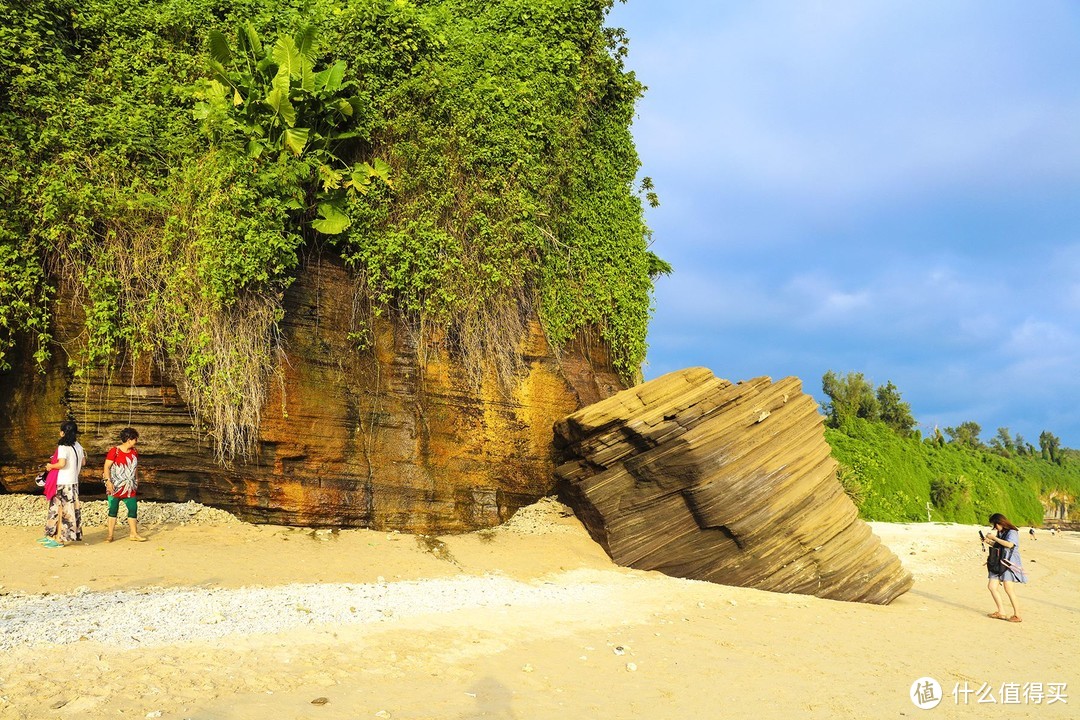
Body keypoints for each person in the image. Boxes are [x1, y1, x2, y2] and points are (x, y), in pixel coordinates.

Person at [42, 420, 85, 548]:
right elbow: (83, 462)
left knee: (61, 511)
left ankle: (59, 540)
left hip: (63, 482)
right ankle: (54, 535)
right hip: (73, 482)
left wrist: (50, 466)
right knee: (64, 510)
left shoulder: (63, 447)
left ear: (62, 432)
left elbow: (61, 464)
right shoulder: (78, 446)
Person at [103, 427, 147, 542]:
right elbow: (107, 466)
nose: (136, 441)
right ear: (129, 439)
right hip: (115, 485)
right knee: (113, 509)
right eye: (135, 439)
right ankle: (110, 535)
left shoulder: (134, 451)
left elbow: (134, 467)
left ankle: (134, 533)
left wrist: (136, 479)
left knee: (133, 508)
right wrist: (108, 481)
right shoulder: (115, 451)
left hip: (129, 485)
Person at [981, 513, 1026, 623]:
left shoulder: (1012, 532)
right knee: (992, 586)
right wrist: (988, 541)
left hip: (1008, 563)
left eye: (995, 525)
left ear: (1000, 522)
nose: (995, 527)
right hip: (997, 562)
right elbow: (999, 546)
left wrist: (994, 538)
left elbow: (1010, 545)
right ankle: (1001, 612)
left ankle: (1017, 615)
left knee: (1008, 589)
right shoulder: (1001, 533)